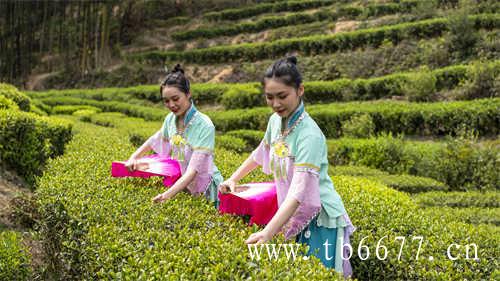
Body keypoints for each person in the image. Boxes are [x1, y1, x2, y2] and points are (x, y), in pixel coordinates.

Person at [219, 56, 355, 277]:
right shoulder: (276, 121)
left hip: (320, 218)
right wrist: (233, 178)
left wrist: (267, 233)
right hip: (292, 210)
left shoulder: (309, 135)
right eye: (269, 97)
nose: (276, 104)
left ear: (300, 90)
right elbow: (261, 151)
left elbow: (300, 191)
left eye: (282, 96)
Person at [126, 64, 223, 206]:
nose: (171, 104)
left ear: (188, 94)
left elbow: (193, 171)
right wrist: (133, 158)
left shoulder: (204, 125)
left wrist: (167, 195)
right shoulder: (170, 120)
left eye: (175, 99)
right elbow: (155, 140)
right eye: (166, 101)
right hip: (184, 186)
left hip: (208, 189)